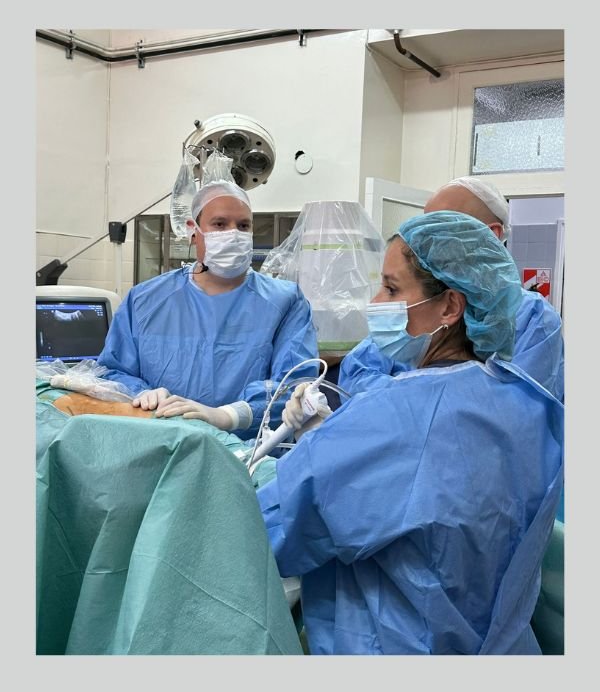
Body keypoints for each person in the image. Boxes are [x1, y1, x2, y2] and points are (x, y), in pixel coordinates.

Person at [257, 211, 563, 654]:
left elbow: (267, 533)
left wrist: (323, 449)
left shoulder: (395, 414)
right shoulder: (530, 404)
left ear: (450, 307)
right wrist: (334, 442)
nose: (376, 301)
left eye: (392, 288)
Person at [97, 166, 319, 440]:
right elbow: (112, 370)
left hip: (246, 452)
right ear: (194, 230)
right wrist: (141, 393)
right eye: (219, 224)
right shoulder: (145, 299)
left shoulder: (284, 301)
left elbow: (296, 385)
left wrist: (230, 415)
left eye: (243, 225)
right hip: (160, 443)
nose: (233, 234)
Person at [338, 177, 564, 402]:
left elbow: (525, 408)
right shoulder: (409, 309)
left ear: (491, 236)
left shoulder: (533, 318)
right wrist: (412, 397)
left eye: (440, 225)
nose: (421, 239)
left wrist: (425, 399)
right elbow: (356, 374)